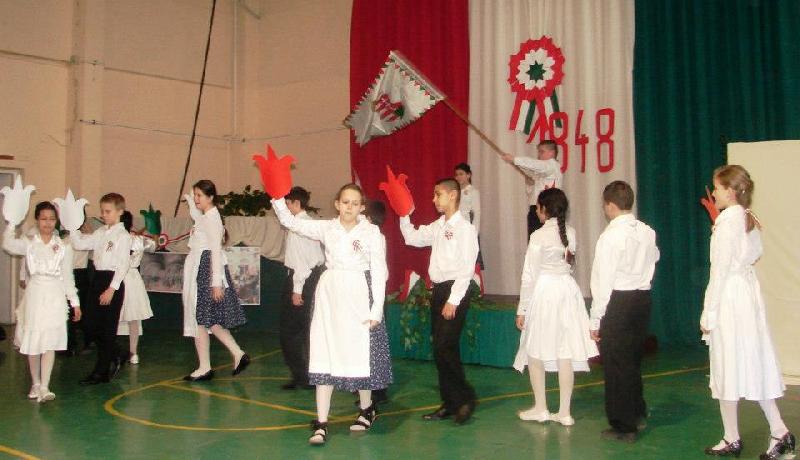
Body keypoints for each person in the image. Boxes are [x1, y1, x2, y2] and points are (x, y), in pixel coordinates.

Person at [272, 183, 391, 445]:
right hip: (329, 295)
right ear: (337, 204)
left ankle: (366, 409)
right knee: (323, 353)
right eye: (345, 202)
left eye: (355, 203)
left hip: (358, 295)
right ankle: (321, 422)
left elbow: (379, 272)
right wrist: (277, 195)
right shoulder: (327, 227)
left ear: (362, 207)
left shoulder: (371, 232)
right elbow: (291, 222)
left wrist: (376, 309)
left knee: (359, 354)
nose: (349, 207)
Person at [700, 165, 795, 459]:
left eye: (717, 188)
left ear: (730, 191)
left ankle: (772, 432)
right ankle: (747, 434)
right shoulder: (744, 218)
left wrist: (708, 314)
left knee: (728, 363)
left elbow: (720, 272)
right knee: (747, 363)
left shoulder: (729, 223)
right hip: (745, 296)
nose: (714, 193)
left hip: (730, 299)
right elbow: (752, 254)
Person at [513, 188, 598, 426]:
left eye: (538, 207)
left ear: (544, 209)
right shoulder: (571, 232)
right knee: (565, 351)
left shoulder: (538, 236)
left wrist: (522, 308)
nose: (536, 211)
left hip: (545, 292)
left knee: (534, 348)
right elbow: (570, 264)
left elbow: (529, 275)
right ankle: (564, 412)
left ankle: (541, 407)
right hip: (567, 291)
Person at [399, 178, 479, 425]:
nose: (434, 199)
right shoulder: (438, 225)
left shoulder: (465, 229)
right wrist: (403, 214)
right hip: (439, 290)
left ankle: (465, 398)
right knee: (442, 348)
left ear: (453, 195)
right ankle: (451, 402)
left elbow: (467, 267)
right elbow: (412, 238)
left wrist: (453, 300)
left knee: (444, 346)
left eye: (438, 194)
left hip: (456, 290)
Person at [589, 181, 660, 442]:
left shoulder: (610, 237)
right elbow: (655, 257)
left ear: (609, 205)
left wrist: (595, 318)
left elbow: (602, 281)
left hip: (619, 300)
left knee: (617, 364)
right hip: (641, 299)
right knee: (632, 360)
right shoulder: (647, 231)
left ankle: (624, 424)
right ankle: (637, 412)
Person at [3, 201, 81, 402]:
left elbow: (68, 277)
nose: (48, 223)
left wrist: (75, 302)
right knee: (34, 341)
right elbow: (8, 244)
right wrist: (11, 223)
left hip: (54, 295)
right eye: (44, 218)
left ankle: (45, 386)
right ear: (37, 220)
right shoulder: (29, 243)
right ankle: (35, 383)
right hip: (35, 295)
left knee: (49, 342)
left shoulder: (63, 246)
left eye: (52, 219)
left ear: (57, 221)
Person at [182, 180, 249, 381]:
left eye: (199, 196)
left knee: (202, 319)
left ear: (211, 197)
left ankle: (206, 367)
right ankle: (236, 354)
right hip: (201, 267)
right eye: (195, 195)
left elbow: (215, 251)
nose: (196, 199)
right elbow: (196, 216)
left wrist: (216, 282)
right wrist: (190, 201)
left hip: (206, 269)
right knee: (208, 319)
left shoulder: (212, 218)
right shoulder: (206, 216)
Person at [71, 193, 132, 385]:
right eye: (102, 211)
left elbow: (123, 264)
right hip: (97, 279)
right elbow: (79, 243)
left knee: (107, 328)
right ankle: (117, 352)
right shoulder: (100, 232)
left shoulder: (123, 236)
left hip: (112, 281)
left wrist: (112, 289)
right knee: (89, 324)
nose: (103, 215)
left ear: (120, 212)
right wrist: (72, 227)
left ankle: (101, 371)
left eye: (108, 211)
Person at [280, 186, 324, 390]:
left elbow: (302, 262)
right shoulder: (307, 224)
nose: (286, 208)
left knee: (291, 331)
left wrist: (297, 289)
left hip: (303, 279)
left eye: (287, 204)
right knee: (305, 329)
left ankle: (304, 376)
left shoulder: (300, 227)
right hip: (310, 278)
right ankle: (307, 375)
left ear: (296, 203)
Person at [116, 211, 155, 365]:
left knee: (116, 316)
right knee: (133, 319)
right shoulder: (138, 239)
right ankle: (133, 353)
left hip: (120, 278)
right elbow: (154, 245)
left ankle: (122, 353)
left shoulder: (117, 239)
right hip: (132, 279)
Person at [501, 140, 563, 236]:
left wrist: (514, 159)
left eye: (542, 152)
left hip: (547, 211)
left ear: (552, 152)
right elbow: (532, 194)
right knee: (533, 239)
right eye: (539, 152)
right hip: (536, 210)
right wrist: (529, 184)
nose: (539, 155)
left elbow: (534, 164)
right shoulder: (542, 171)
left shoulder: (552, 165)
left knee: (542, 239)